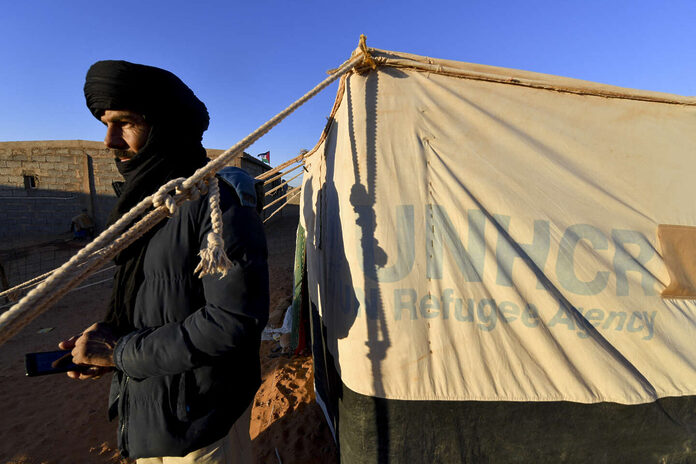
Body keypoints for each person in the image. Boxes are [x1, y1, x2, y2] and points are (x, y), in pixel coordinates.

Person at [58, 60, 269, 463]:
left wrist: (119, 352)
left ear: (165, 127)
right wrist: (109, 338)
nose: (109, 141)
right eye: (105, 123)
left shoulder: (215, 203)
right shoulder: (147, 206)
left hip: (200, 426)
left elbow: (232, 321)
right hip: (150, 415)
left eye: (126, 123)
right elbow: (154, 294)